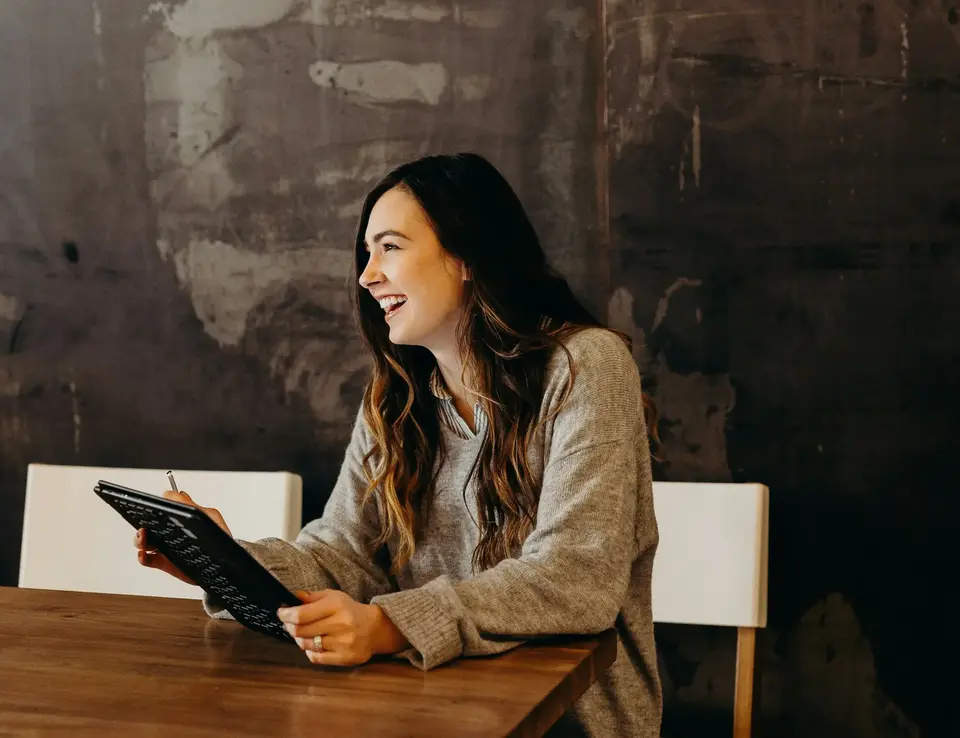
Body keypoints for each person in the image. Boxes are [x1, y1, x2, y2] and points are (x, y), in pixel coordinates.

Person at [134, 152, 662, 737]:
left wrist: (389, 626)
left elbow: (575, 578)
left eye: (389, 247)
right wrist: (223, 561)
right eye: (366, 253)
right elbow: (342, 557)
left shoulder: (585, 367)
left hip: (564, 723)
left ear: (465, 256)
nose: (367, 276)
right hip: (425, 713)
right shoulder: (395, 398)